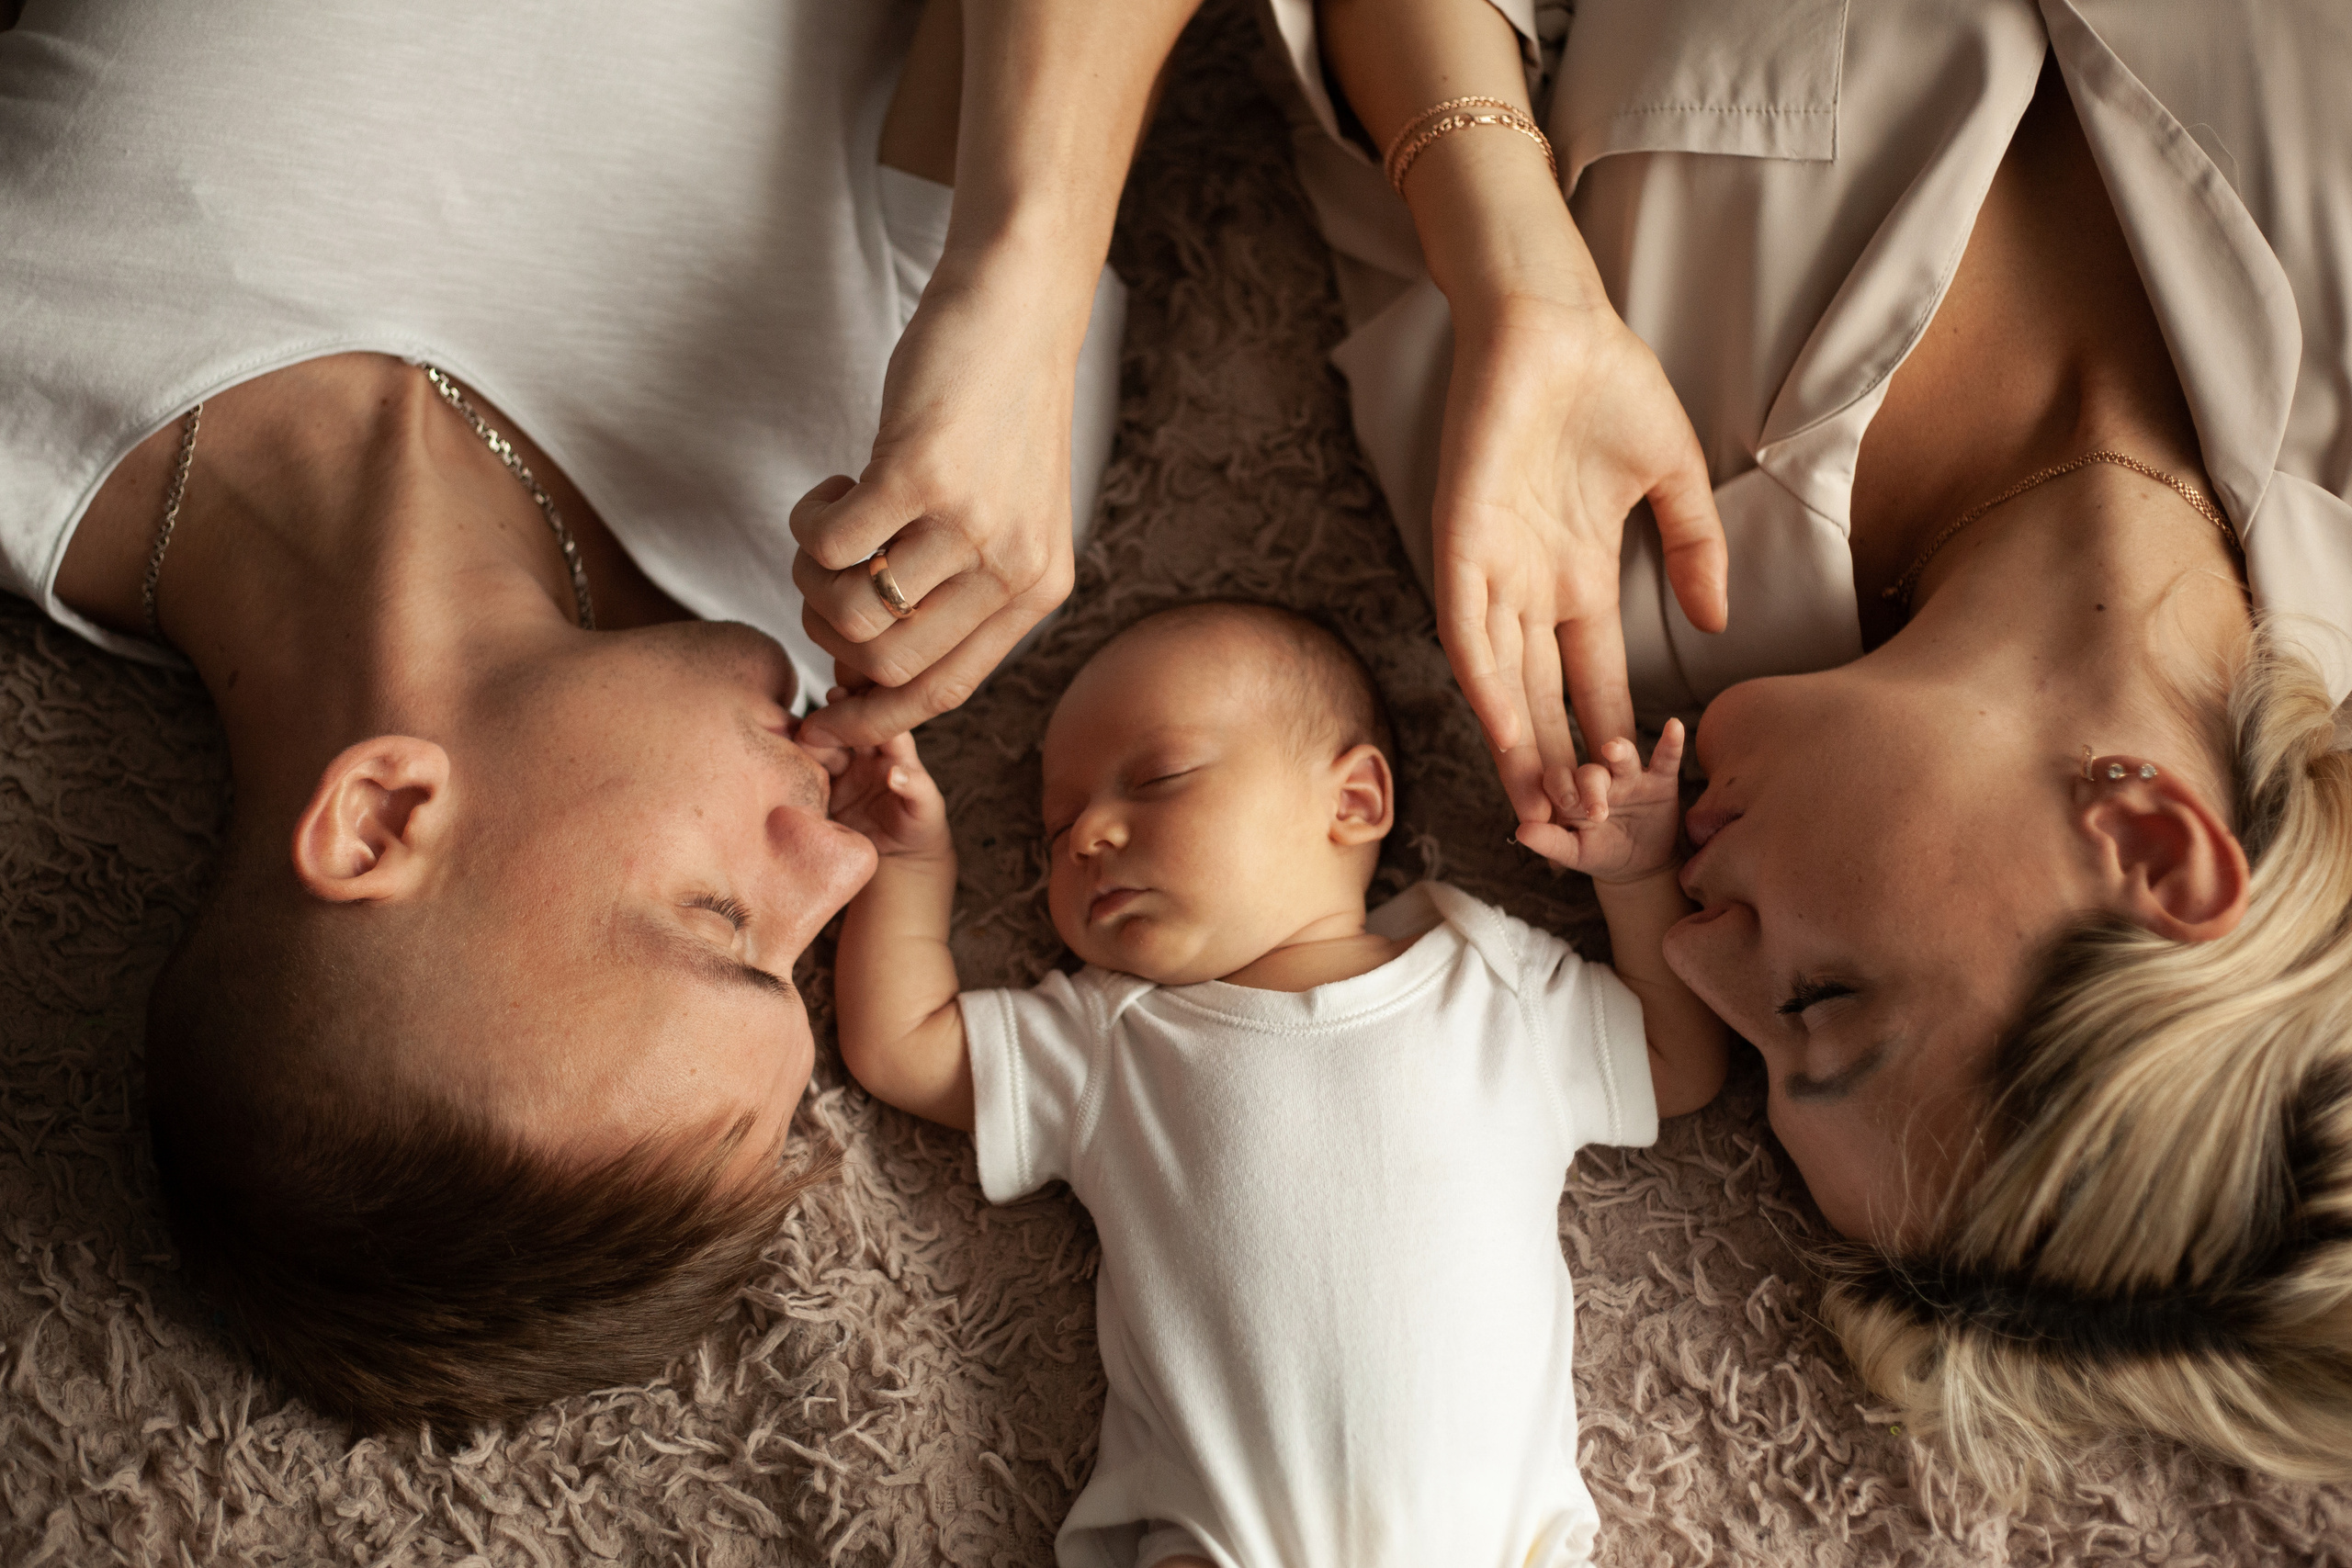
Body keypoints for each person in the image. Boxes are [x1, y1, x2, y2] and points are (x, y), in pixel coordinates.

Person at [0, 0, 1197, 1428]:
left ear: (383, 813)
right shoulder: (917, 542)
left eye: (717, 920)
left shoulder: (35, 320)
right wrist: (1025, 275)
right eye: (806, 962)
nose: (842, 862)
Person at [1273, 0, 2352, 1487]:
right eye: (1824, 1005)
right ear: (2152, 844)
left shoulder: (1595, 594)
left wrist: (1510, 252)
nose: (1704, 957)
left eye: (1758, 1043)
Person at [826, 602, 1728, 1567]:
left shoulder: (1495, 984)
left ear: (1352, 802)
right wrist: (903, 864)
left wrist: (1635, 881)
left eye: (1158, 779)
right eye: (1055, 830)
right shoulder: (1109, 1038)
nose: (1087, 833)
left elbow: (1675, 1062)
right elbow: (901, 1049)